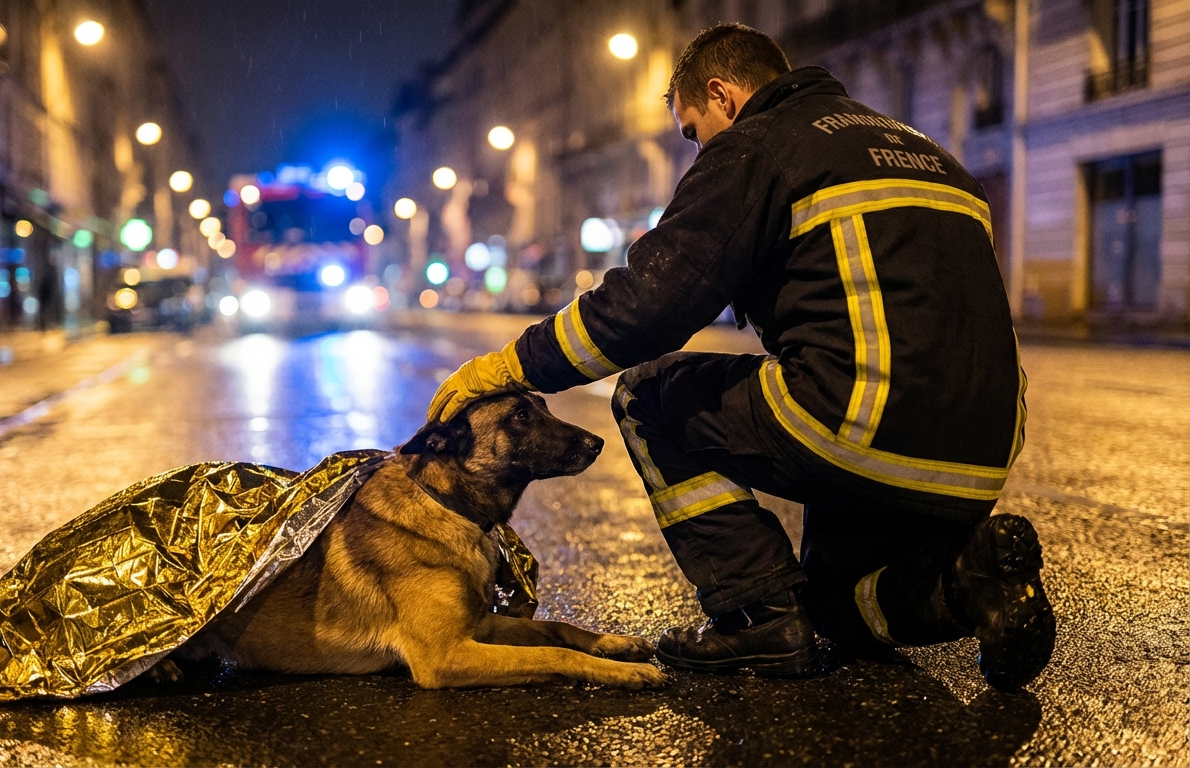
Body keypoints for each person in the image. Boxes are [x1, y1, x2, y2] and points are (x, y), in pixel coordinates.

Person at [427, 23, 1057, 691]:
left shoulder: (759, 144)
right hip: (983, 450)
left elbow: (650, 306)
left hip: (862, 419)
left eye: (693, 131)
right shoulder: (924, 150)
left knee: (648, 398)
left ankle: (755, 613)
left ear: (723, 96)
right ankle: (973, 582)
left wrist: (513, 366)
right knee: (837, 608)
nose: (698, 149)